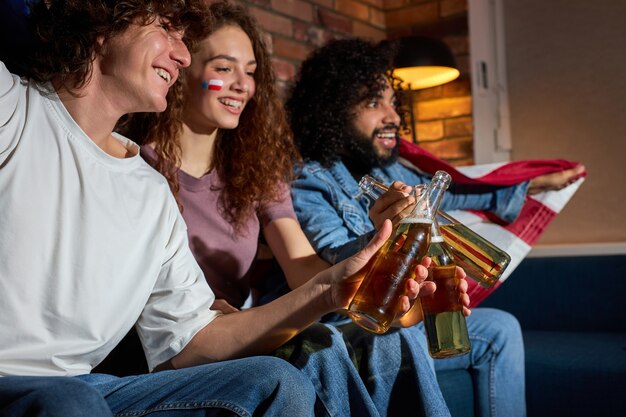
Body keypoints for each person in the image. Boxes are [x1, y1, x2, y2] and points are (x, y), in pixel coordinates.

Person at [0, 2, 428, 416]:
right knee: (69, 402)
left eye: (185, 40)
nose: (182, 55)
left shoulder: (151, 191)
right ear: (102, 21)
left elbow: (190, 339)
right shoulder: (16, 112)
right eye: (165, 29)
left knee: (278, 379)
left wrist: (330, 291)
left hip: (86, 385)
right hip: (53, 388)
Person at [118, 2, 468, 416]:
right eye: (224, 68)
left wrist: (383, 255)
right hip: (173, 342)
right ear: (183, 70)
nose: (241, 85)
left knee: (381, 338)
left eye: (250, 72)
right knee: (319, 344)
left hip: (241, 327)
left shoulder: (255, 172)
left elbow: (303, 266)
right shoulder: (138, 168)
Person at [286, 38, 583, 417]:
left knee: (500, 328)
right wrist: (387, 233)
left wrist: (534, 185)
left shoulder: (389, 170)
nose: (392, 116)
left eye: (394, 103)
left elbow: (457, 194)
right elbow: (336, 261)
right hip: (359, 323)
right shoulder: (309, 180)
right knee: (402, 334)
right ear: (333, 109)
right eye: (375, 103)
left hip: (409, 310)